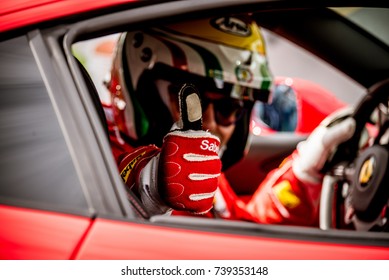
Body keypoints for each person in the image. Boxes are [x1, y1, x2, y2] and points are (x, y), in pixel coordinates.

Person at [104, 15, 355, 226]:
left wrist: (302, 175)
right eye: (191, 101)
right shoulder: (90, 151)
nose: (208, 124)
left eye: (229, 107)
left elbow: (241, 228)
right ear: (143, 92)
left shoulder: (196, 158)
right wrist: (149, 188)